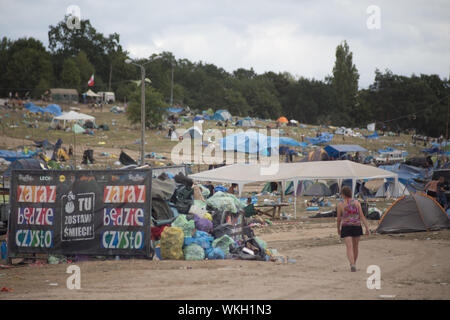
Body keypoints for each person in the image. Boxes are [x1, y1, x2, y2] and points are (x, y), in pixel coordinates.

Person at [336, 186, 370, 272]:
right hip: (356, 226)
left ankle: (352, 264)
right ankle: (354, 263)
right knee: (355, 246)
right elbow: (362, 216)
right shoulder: (357, 203)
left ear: (343, 194)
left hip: (346, 226)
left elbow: (339, 218)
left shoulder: (340, 204)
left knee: (349, 247)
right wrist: (367, 228)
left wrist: (338, 228)